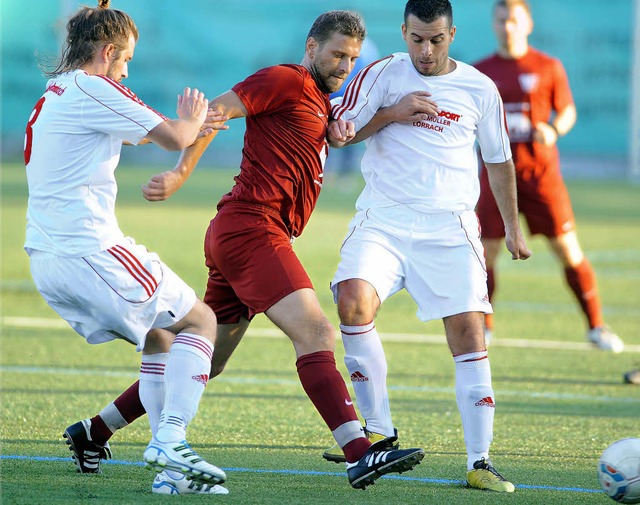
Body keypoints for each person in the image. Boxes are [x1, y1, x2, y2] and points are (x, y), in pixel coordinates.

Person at [61, 10, 425, 492]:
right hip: (253, 229)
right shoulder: (285, 79)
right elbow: (215, 112)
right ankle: (359, 452)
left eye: (352, 58)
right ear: (311, 47)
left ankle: (94, 431)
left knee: (204, 360)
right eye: (337, 54)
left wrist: (390, 115)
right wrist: (179, 173)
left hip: (245, 233)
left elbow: (334, 135)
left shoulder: (319, 99)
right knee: (316, 330)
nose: (344, 65)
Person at [321, 0, 531, 493]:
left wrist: (512, 226)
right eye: (417, 39)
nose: (426, 50)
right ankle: (380, 433)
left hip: (450, 229)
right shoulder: (382, 73)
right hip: (383, 219)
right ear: (404, 32)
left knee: (468, 334)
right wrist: (391, 114)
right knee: (351, 300)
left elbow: (498, 160)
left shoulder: (479, 88)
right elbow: (340, 134)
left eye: (436, 40)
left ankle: (480, 461)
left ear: (452, 34)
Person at [25, 0, 231, 495]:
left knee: (161, 336)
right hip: (89, 251)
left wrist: (180, 131)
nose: (127, 70)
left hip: (49, 258)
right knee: (201, 321)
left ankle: (170, 475)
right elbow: (171, 136)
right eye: (127, 60)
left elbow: (135, 136)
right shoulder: (95, 87)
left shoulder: (59, 91)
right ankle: (172, 441)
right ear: (109, 50)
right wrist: (193, 118)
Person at [473, 0, 624, 352]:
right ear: (494, 24)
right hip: (496, 178)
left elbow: (567, 110)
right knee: (486, 253)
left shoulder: (548, 66)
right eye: (501, 19)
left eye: (513, 19)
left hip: (541, 176)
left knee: (568, 250)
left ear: (527, 23)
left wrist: (554, 129)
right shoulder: (480, 73)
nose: (507, 26)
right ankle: (486, 328)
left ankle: (596, 326)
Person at [326, 38, 380, 186]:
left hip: (349, 95)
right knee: (331, 131)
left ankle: (344, 172)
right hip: (339, 93)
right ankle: (328, 169)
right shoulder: (365, 47)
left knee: (347, 131)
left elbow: (368, 72)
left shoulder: (366, 48)